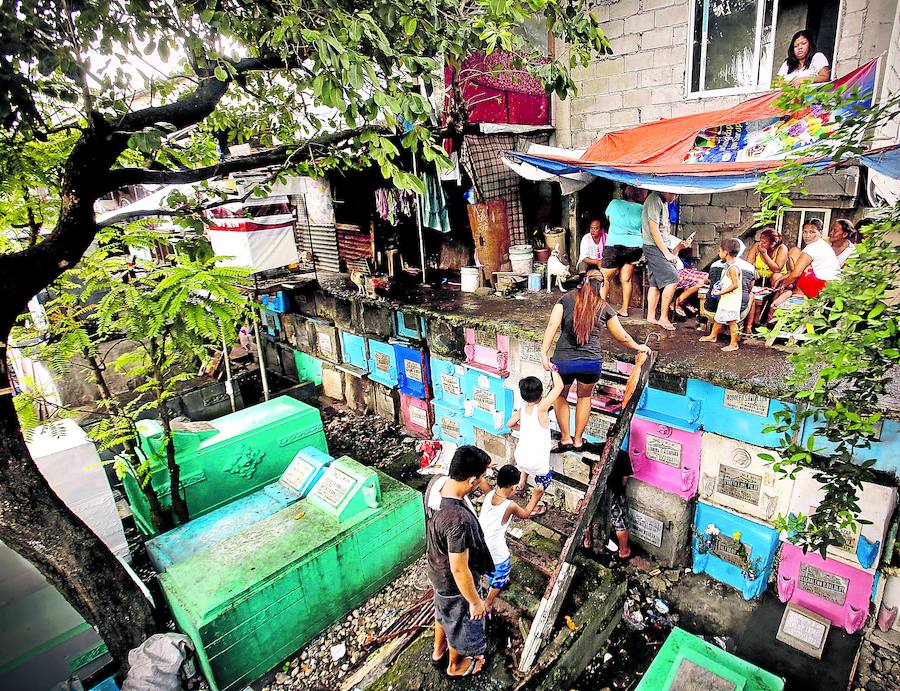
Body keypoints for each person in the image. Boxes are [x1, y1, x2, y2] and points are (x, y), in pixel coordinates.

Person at [540, 271, 652, 452]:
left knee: (560, 395)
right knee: (584, 397)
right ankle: (578, 441)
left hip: (564, 362)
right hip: (590, 363)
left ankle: (566, 439)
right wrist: (638, 346)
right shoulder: (604, 307)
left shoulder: (565, 299)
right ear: (601, 286)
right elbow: (622, 337)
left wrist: (544, 353)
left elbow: (552, 325)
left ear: (582, 283)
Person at [425, 445, 494, 678]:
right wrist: (475, 602)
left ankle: (438, 652)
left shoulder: (437, 485)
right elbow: (459, 568)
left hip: (436, 570)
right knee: (460, 622)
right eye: (481, 478)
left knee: (442, 612)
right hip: (454, 582)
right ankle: (456, 666)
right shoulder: (457, 521)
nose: (481, 483)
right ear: (472, 480)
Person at [478, 464, 545, 611]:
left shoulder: (489, 493)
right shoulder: (510, 506)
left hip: (481, 545)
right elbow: (526, 513)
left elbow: (481, 479)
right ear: (513, 487)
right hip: (497, 551)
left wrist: (485, 466)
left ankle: (491, 581)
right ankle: (489, 601)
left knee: (489, 568)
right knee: (501, 573)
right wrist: (536, 496)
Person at [508, 369, 564, 495]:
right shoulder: (542, 408)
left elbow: (510, 424)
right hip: (537, 464)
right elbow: (559, 386)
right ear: (542, 393)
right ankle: (537, 497)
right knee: (544, 480)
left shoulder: (522, 409)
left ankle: (521, 483)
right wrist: (553, 368)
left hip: (520, 458)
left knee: (527, 456)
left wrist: (524, 429)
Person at [771, 218, 840, 307]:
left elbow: (796, 273)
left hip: (823, 287)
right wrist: (781, 279)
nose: (807, 235)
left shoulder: (811, 248)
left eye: (812, 232)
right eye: (805, 232)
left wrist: (783, 285)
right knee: (802, 269)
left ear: (820, 233)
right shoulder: (822, 244)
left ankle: (792, 295)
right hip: (832, 287)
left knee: (797, 262)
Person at [601, 186, 647, 317]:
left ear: (625, 193)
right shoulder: (642, 209)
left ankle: (601, 310)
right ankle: (624, 309)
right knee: (626, 280)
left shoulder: (614, 203)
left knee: (604, 279)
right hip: (634, 248)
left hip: (614, 245)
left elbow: (608, 218)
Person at [641, 190, 680, 331]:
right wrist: (666, 253)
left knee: (655, 283)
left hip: (658, 246)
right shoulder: (654, 200)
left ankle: (651, 316)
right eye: (674, 194)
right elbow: (654, 229)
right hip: (654, 247)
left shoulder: (662, 201)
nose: (675, 197)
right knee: (673, 278)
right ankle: (663, 317)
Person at [700, 238, 743, 352]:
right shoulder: (729, 265)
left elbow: (735, 285)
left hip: (731, 299)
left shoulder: (733, 268)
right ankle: (713, 335)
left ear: (725, 252)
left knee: (732, 321)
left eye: (720, 250)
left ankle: (734, 343)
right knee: (718, 318)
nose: (719, 253)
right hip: (726, 298)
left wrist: (720, 292)